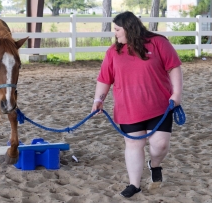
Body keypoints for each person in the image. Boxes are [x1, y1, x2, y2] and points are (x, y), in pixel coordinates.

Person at [91, 11, 183, 198]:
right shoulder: (113, 52)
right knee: (134, 145)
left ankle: (154, 165)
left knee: (160, 146)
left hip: (160, 107)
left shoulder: (158, 43)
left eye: (117, 29)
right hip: (128, 109)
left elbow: (174, 67)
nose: (115, 34)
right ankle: (134, 184)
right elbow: (104, 79)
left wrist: (177, 94)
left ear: (129, 28)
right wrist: (98, 100)